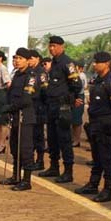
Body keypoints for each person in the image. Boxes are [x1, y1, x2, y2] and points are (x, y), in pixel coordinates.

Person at [75, 52, 111, 202]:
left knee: (107, 158)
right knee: (96, 157)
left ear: (107, 63)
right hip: (95, 122)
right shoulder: (97, 81)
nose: (95, 64)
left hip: (106, 123)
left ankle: (108, 189)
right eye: (94, 62)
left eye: (98, 62)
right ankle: (93, 183)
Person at [39, 36, 82, 183]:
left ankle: (68, 171)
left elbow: (77, 84)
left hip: (62, 107)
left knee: (64, 139)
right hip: (52, 106)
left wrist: (70, 98)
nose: (52, 48)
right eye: (50, 46)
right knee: (52, 139)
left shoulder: (66, 63)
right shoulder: (54, 64)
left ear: (62, 47)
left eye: (55, 46)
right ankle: (54, 167)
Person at [0, 48, 38, 191]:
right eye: (15, 58)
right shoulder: (16, 74)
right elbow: (11, 93)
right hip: (15, 115)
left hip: (25, 116)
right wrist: (7, 108)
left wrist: (11, 107)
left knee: (25, 149)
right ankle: (16, 176)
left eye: (20, 58)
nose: (17, 60)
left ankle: (26, 180)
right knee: (15, 147)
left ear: (27, 60)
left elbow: (27, 98)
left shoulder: (31, 76)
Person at [26, 52, 49, 171]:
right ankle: (32, 159)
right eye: (28, 58)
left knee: (38, 135)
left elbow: (45, 91)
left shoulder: (41, 72)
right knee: (30, 135)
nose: (30, 60)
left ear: (38, 59)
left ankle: (40, 161)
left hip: (39, 106)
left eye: (32, 58)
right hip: (30, 106)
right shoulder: (29, 72)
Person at [72, 62, 88, 148]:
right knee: (73, 119)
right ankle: (74, 139)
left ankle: (76, 140)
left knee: (77, 120)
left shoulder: (80, 76)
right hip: (76, 96)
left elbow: (81, 87)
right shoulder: (81, 75)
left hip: (78, 96)